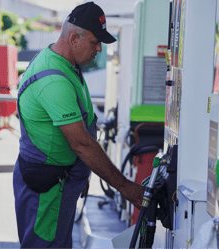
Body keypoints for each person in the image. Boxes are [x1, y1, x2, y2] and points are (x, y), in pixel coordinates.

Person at [13, 2, 144, 248]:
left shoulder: (66, 63)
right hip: (47, 186)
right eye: (95, 42)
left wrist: (81, 174)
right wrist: (125, 187)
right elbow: (82, 144)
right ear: (74, 38)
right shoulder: (53, 79)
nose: (99, 50)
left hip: (60, 180)